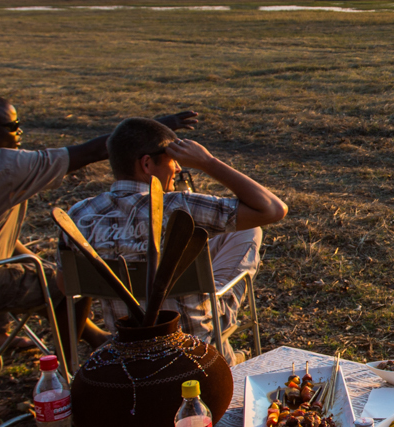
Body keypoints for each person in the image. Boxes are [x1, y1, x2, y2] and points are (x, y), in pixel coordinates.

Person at [0, 93, 198, 350]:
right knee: (70, 279)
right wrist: (156, 128)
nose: (19, 133)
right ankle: (76, 368)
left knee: (25, 267)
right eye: (12, 127)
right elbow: (94, 150)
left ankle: (68, 338)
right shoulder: (5, 166)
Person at [68, 118, 288, 359]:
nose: (178, 169)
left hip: (127, 341)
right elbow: (272, 209)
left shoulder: (78, 215)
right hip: (193, 341)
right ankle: (224, 359)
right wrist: (207, 162)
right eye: (174, 161)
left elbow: (65, 283)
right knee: (249, 230)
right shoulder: (181, 207)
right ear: (147, 164)